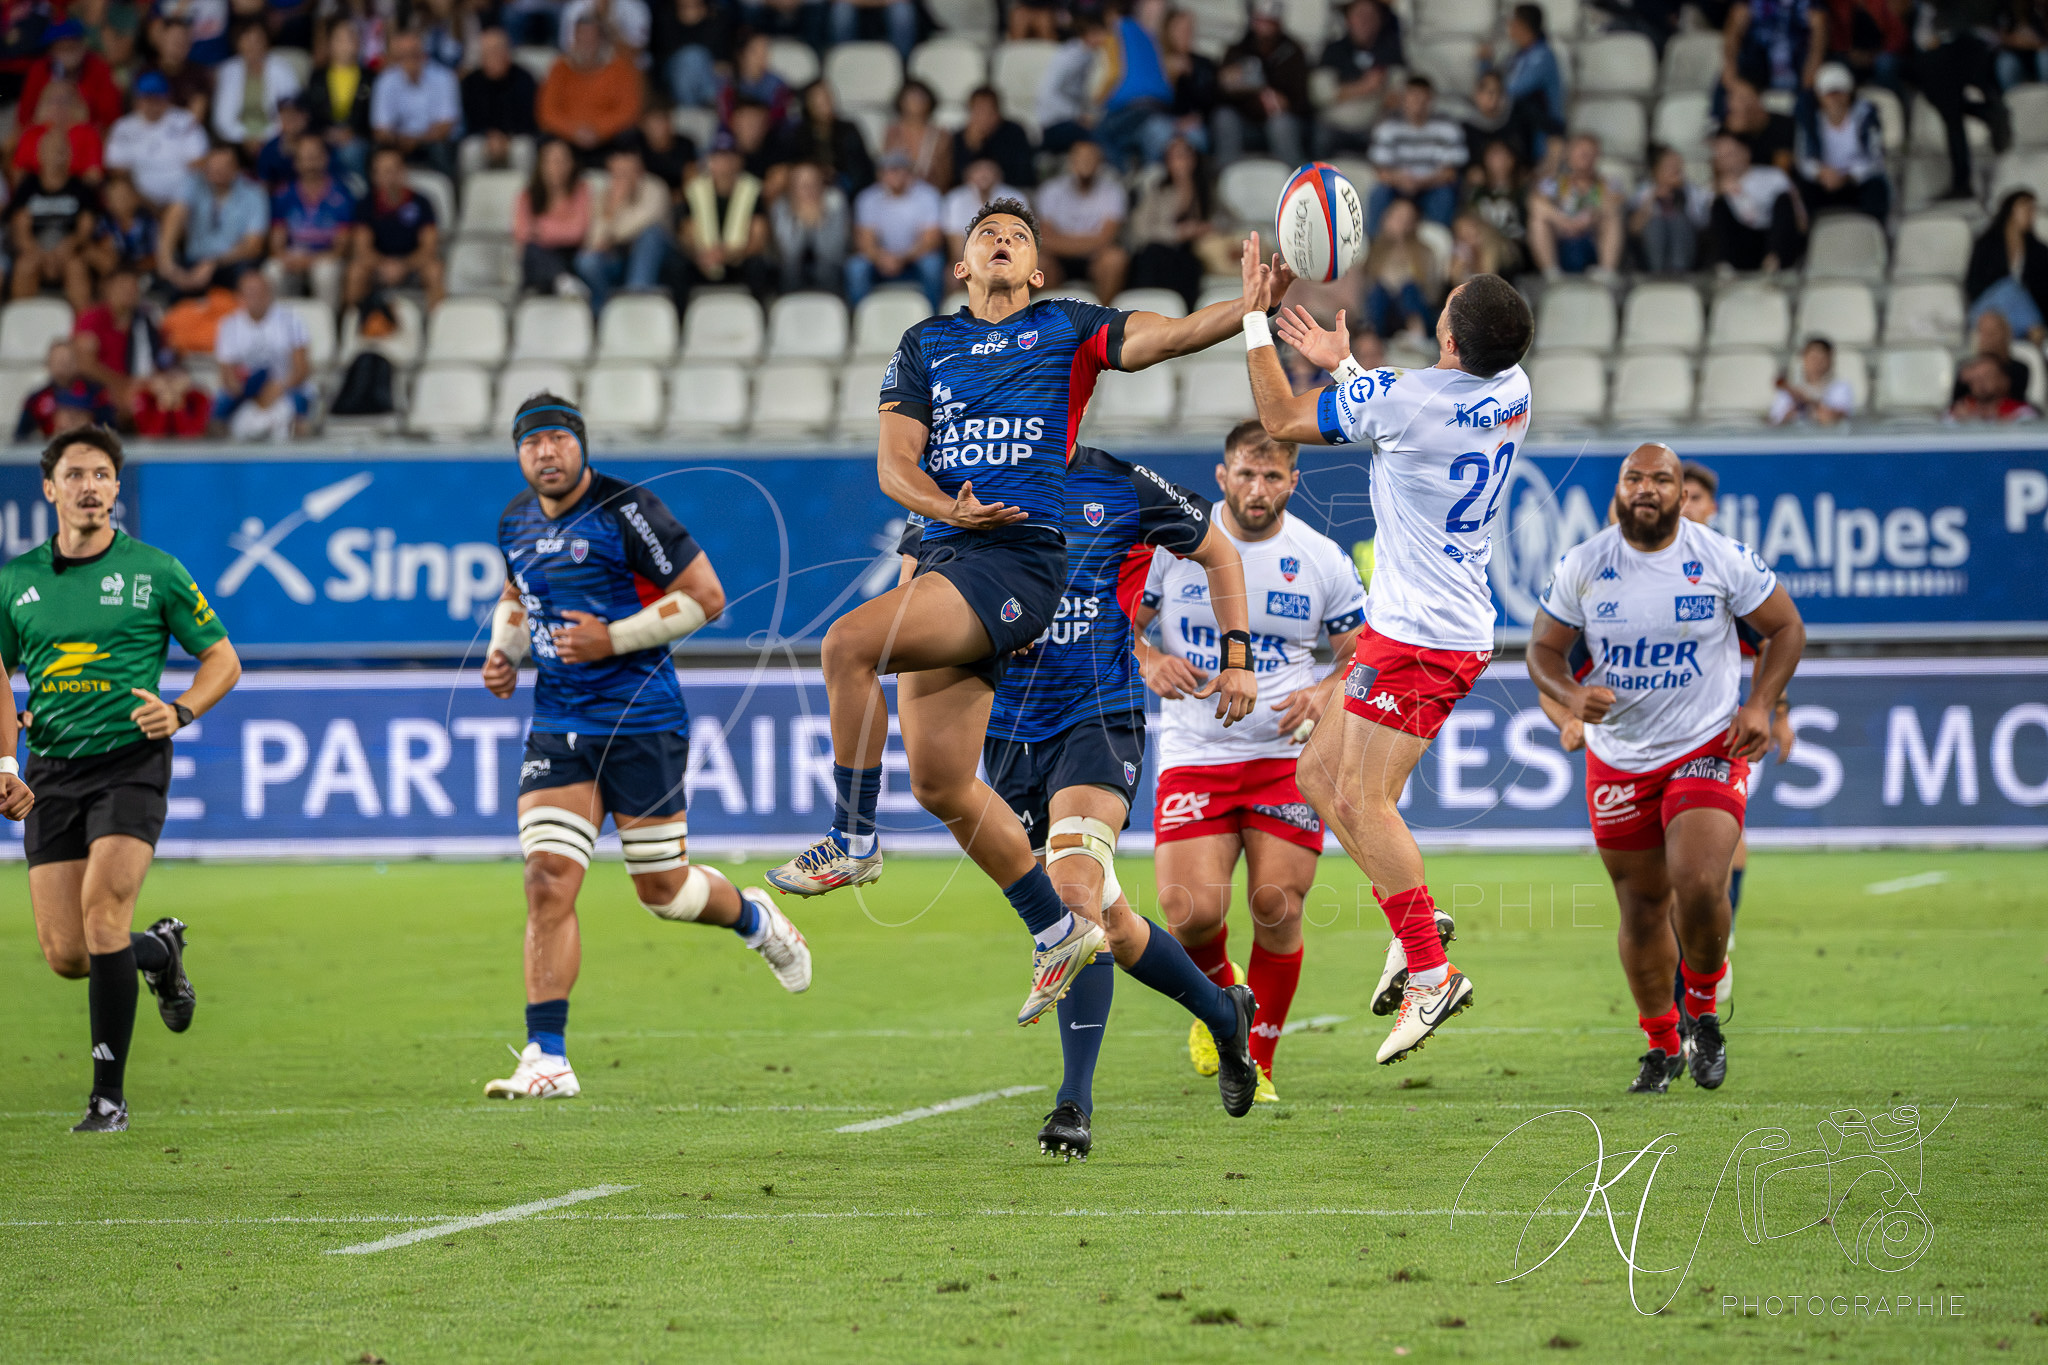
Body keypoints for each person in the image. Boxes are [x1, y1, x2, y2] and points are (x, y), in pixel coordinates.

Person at [764, 208, 1282, 1119]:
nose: (1001, 240)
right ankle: (1182, 992)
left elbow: (1159, 339)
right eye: (986, 233)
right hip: (951, 566)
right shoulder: (924, 344)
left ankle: (1068, 1096)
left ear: (1039, 271)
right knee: (940, 783)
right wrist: (939, 519)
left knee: (848, 644)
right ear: (961, 263)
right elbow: (895, 467)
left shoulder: (1069, 332)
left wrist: (1243, 310)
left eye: (1019, 234)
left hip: (1032, 593)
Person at [898, 440, 1252, 1156]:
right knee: (1113, 926)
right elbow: (912, 607)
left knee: (1072, 901)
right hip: (1003, 733)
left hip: (1098, 714)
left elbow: (1220, 552)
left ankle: (1074, 1105)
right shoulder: (955, 488)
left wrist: (1237, 657)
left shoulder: (1122, 484)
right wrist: (985, 636)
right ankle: (1222, 1010)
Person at [480, 394, 809, 1100]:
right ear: (518, 454)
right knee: (546, 880)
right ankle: (548, 1055)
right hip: (558, 723)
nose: (545, 452)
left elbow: (706, 595)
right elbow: (518, 591)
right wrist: (503, 650)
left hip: (641, 720)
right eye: (531, 443)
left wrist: (611, 636)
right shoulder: (513, 519)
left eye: (557, 439)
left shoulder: (627, 510)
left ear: (581, 446)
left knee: (663, 890)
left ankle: (755, 917)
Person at [1253, 275, 1534, 1065]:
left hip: (1425, 636)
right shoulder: (1513, 385)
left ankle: (1433, 972)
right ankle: (1414, 934)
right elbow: (1403, 407)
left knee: (1362, 798)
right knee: (1315, 773)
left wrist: (1253, 321)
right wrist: (1347, 370)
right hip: (1414, 624)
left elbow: (1279, 419)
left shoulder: (1406, 399)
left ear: (1448, 339)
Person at [1527, 443, 1803, 1094]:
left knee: (1699, 878)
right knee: (1643, 908)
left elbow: (1785, 628)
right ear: (1618, 492)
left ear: (1682, 494)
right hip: (1619, 757)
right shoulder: (1584, 564)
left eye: (1662, 479)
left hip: (1706, 743)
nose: (1646, 487)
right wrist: (1570, 696)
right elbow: (1542, 650)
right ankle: (1661, 1042)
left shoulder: (1721, 558)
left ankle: (1703, 1010)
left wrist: (1761, 704)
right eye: (1634, 478)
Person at [0, 424, 241, 1131]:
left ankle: (108, 1096)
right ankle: (159, 953)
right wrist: (7, 764)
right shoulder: (16, 581)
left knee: (104, 913)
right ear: (50, 489)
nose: (90, 487)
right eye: (75, 474)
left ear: (115, 488)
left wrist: (182, 709)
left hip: (131, 762)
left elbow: (223, 658)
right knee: (68, 953)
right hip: (50, 770)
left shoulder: (155, 571)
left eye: (102, 474)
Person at [1137, 420, 1366, 1103]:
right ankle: (1217, 998)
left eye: (1272, 476)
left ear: (1294, 481)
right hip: (1194, 749)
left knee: (1277, 904)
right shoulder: (1172, 546)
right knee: (1188, 911)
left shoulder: (1320, 557)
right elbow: (1117, 623)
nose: (1258, 488)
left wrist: (1326, 690)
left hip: (1283, 757)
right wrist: (1151, 659)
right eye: (1246, 473)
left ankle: (1254, 1058)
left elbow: (1359, 653)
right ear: (1222, 475)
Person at [1906, 0, 2009, 202]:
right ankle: (1987, 112)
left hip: (1960, 51)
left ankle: (1962, 182)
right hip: (1936, 58)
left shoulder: (1959, 10)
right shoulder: (1924, 10)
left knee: (1952, 115)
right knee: (1949, 111)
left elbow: (1979, 29)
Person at [212, 268, 315, 440]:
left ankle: (298, 451)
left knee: (300, 404)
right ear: (240, 297)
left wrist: (279, 388)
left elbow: (302, 369)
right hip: (247, 390)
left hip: (285, 386)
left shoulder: (291, 320)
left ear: (269, 294)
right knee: (217, 410)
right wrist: (250, 395)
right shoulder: (229, 325)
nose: (256, 297)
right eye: (250, 292)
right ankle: (220, 458)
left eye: (260, 292)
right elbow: (227, 374)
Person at [157, 143, 269, 297]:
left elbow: (253, 245)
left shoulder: (254, 193)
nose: (217, 171)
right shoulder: (194, 182)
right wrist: (166, 262)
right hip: (194, 261)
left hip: (232, 262)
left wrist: (214, 263)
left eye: (224, 166)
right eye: (213, 165)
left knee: (248, 275)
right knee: (169, 283)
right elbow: (174, 216)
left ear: (237, 169)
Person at [677, 130, 772, 302]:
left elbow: (759, 238)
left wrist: (728, 255)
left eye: (729, 157)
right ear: (709, 161)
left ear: (739, 161)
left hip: (739, 260)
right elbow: (686, 233)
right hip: (704, 260)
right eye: (718, 157)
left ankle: (758, 317)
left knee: (757, 267)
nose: (724, 164)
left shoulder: (752, 189)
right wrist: (700, 255)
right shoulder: (695, 190)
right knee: (678, 268)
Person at [346, 144, 444, 308]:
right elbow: (362, 248)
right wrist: (384, 265)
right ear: (374, 176)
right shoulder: (365, 204)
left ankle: (438, 325)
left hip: (414, 265)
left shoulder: (422, 202)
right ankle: (355, 323)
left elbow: (429, 247)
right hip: (378, 266)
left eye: (393, 170)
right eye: (382, 172)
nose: (388, 177)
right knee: (355, 272)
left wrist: (403, 266)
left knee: (434, 271)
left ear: (403, 171)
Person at [10, 133, 100, 309]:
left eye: (61, 151)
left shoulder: (81, 188)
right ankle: (21, 324)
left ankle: (82, 324)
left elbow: (85, 229)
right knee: (25, 265)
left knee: (76, 266)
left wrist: (67, 247)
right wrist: (40, 254)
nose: (56, 155)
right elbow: (21, 230)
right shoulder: (28, 187)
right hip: (35, 250)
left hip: (69, 251)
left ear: (70, 155)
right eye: (51, 150)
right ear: (39, 154)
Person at [575, 146, 670, 312]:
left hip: (657, 256)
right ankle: (607, 309)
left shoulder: (655, 187)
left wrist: (613, 231)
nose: (622, 179)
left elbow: (643, 222)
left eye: (627, 172)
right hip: (618, 257)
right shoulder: (604, 195)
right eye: (616, 173)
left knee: (651, 235)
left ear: (639, 171)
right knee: (586, 261)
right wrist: (611, 210)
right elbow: (594, 243)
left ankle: (635, 299)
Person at [1125, 135, 1214, 310]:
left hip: (1191, 255)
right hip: (1159, 252)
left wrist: (1203, 229)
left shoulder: (1205, 190)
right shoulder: (1157, 191)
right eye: (1174, 156)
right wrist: (1177, 233)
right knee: (1155, 256)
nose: (1180, 162)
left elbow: (1224, 219)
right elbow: (1141, 230)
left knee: (1189, 264)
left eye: (1184, 155)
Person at [1366, 76, 1466, 232]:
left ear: (1431, 100)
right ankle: (1374, 243)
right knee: (1379, 193)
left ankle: (1438, 244)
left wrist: (1421, 183)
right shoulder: (1388, 126)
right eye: (1413, 97)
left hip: (1432, 186)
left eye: (1422, 98)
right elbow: (1381, 172)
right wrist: (1401, 181)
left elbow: (1450, 173)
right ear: (1403, 99)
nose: (1417, 104)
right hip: (1397, 186)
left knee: (1445, 195)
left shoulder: (1448, 126)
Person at [1216, 0, 1310, 166]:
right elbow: (1220, 94)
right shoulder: (1237, 50)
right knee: (1225, 117)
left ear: (1279, 22)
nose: (1264, 26)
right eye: (1260, 20)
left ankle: (1295, 181)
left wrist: (1285, 103)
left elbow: (1303, 101)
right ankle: (1225, 177)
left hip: (1283, 124)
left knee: (1280, 125)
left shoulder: (1293, 52)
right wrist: (1231, 83)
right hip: (1246, 124)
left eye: (1270, 21)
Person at [847, 149, 945, 307]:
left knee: (932, 265)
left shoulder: (928, 195)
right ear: (879, 174)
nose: (894, 175)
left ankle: (934, 319)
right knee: (856, 268)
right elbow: (865, 241)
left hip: (914, 259)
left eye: (899, 170)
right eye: (888, 170)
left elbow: (931, 240)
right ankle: (859, 319)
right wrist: (881, 258)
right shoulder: (868, 198)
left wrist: (902, 258)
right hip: (880, 261)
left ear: (910, 173)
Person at [1034, 138, 1128, 301]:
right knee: (1037, 262)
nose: (1085, 163)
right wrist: (1088, 241)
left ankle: (1102, 319)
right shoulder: (1050, 190)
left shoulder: (1113, 192)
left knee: (1115, 259)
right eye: (1080, 158)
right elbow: (1045, 239)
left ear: (1100, 163)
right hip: (1058, 259)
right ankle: (1052, 319)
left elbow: (1107, 238)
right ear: (1071, 161)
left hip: (1095, 259)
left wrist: (1064, 242)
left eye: (1090, 158)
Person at [540, 15, 645, 161]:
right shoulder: (560, 68)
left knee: (630, 137)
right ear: (574, 39)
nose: (586, 42)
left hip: (608, 139)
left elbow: (629, 110)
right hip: (569, 138)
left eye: (591, 37)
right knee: (546, 140)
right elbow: (548, 111)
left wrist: (599, 131)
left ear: (601, 39)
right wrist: (574, 131)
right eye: (582, 36)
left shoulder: (620, 68)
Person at [269, 134, 355, 307]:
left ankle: (329, 324)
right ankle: (280, 326)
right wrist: (284, 257)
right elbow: (276, 241)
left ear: (325, 159)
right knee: (271, 271)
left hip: (326, 256)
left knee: (325, 273)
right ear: (296, 163)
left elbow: (342, 246)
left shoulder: (342, 194)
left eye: (315, 157)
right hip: (294, 254)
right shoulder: (284, 194)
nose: (311, 163)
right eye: (306, 158)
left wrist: (310, 260)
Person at [1793, 62, 1887, 218]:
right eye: (1830, 93)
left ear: (1849, 93)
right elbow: (1802, 158)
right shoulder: (1810, 119)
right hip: (1824, 182)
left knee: (1877, 187)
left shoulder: (1865, 116)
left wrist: (1848, 176)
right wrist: (1821, 173)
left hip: (1856, 181)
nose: (1835, 99)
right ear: (1819, 96)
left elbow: (1876, 158)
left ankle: (1874, 232)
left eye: (1840, 93)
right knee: (1803, 189)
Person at [1526, 132, 1624, 280]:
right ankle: (1550, 271)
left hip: (1591, 241)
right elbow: (1534, 203)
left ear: (1597, 156)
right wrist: (1564, 222)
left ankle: (1606, 272)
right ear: (1569, 155)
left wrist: (1589, 219)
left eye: (1590, 153)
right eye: (1581, 152)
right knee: (1537, 218)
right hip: (1562, 241)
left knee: (1612, 215)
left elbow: (1615, 202)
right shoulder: (1555, 183)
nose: (1585, 156)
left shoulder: (1607, 183)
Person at [103, 70, 208, 207]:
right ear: (137, 100)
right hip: (140, 197)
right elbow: (117, 169)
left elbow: (198, 162)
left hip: (182, 198)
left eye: (157, 99)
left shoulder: (185, 120)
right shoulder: (123, 127)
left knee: (190, 188)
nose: (152, 105)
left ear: (167, 98)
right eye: (147, 99)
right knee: (118, 189)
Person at [1706, 131, 1806, 272]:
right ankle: (1724, 267)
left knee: (1784, 199)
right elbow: (1703, 222)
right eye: (1721, 156)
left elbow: (1800, 220)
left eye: (1730, 154)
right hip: (1743, 247)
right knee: (1719, 205)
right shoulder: (1713, 189)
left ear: (1746, 152)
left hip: (1775, 240)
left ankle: (1773, 261)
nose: (1727, 161)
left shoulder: (1774, 176)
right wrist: (1718, 192)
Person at [371, 28, 462, 181]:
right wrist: (400, 139)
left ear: (423, 53)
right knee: (378, 152)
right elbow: (381, 129)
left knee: (440, 149)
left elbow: (446, 126)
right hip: (398, 143)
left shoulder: (444, 77)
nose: (410, 59)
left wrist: (416, 140)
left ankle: (450, 194)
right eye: (404, 55)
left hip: (432, 142)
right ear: (397, 57)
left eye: (414, 54)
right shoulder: (386, 81)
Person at [1316, 0, 1405, 157]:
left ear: (1380, 20)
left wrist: (1385, 100)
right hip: (1335, 127)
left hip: (1373, 127)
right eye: (1359, 15)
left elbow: (1399, 91)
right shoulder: (1333, 50)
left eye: (1371, 16)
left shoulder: (1390, 51)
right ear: (1348, 20)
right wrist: (1364, 87)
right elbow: (1321, 94)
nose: (1365, 21)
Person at [513, 137, 592, 296]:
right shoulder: (527, 197)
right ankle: (562, 281)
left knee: (539, 254)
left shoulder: (581, 190)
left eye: (563, 161)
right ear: (542, 165)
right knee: (533, 251)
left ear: (572, 164)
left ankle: (561, 282)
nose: (558, 167)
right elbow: (523, 236)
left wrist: (541, 229)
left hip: (571, 257)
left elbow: (578, 232)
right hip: (538, 259)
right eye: (553, 161)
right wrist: (560, 228)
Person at [1965, 190, 2048, 342]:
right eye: (2026, 208)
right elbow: (1973, 285)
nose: (2031, 213)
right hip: (1988, 310)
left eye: (2033, 209)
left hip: (2017, 319)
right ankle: (2037, 335)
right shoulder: (1986, 244)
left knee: (2015, 292)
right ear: (2010, 210)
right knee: (2009, 288)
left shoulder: (2039, 251)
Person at [212, 21, 300, 156]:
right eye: (247, 40)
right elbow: (222, 119)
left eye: (257, 40)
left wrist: (264, 138)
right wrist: (245, 137)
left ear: (266, 42)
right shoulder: (227, 70)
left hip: (276, 138)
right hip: (236, 141)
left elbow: (291, 113)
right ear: (238, 44)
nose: (252, 46)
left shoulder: (283, 69)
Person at [21, 17, 122, 130]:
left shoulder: (99, 67)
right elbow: (25, 116)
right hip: (45, 133)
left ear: (82, 45)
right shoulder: (39, 70)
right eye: (61, 48)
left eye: (71, 46)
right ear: (51, 51)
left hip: (88, 133)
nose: (67, 51)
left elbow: (110, 117)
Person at [308, 19, 376, 185]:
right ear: (330, 44)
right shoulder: (317, 77)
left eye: (350, 39)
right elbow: (311, 112)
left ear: (358, 44)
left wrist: (353, 133)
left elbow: (373, 116)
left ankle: (360, 193)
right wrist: (325, 132)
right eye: (339, 39)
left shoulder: (370, 77)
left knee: (350, 152)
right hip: (324, 136)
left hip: (358, 138)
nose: (345, 45)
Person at [1359, 197, 1438, 339]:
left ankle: (1416, 336)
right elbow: (1367, 285)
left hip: (1415, 311)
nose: (1400, 222)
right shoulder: (1374, 250)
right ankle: (1375, 338)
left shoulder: (1424, 252)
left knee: (1409, 289)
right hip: (1385, 311)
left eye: (1406, 218)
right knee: (1378, 293)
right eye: (1397, 217)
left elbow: (1431, 293)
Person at [1497, 3, 1565, 162]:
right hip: (1523, 130)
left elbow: (1513, 89)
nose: (1509, 27)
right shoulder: (1517, 55)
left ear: (1522, 25)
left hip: (1542, 134)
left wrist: (1493, 86)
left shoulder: (1542, 57)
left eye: (1511, 22)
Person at [1630, 143, 1711, 275]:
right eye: (1669, 166)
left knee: (1678, 220)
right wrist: (1652, 199)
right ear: (1657, 170)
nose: (1675, 171)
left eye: (1677, 167)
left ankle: (1678, 273)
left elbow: (1702, 224)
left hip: (1687, 245)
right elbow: (1634, 228)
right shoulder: (1644, 192)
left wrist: (1684, 196)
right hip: (1651, 251)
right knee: (1656, 224)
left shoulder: (1692, 191)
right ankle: (1657, 274)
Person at [786, 80, 875, 198]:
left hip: (848, 188)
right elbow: (796, 166)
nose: (825, 101)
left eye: (827, 95)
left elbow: (862, 166)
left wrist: (838, 174)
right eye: (818, 98)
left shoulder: (848, 129)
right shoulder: (799, 134)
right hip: (811, 190)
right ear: (808, 103)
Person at [773, 159, 848, 293]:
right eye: (803, 185)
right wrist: (799, 223)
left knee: (826, 270)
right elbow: (789, 253)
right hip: (792, 272)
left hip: (829, 269)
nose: (809, 190)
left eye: (813, 184)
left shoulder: (835, 201)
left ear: (822, 184)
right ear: (792, 188)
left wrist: (822, 221)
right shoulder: (781, 206)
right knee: (790, 270)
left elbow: (833, 253)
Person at [15, 340, 115, 440]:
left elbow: (111, 431)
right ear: (48, 363)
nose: (63, 365)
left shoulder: (96, 394)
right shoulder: (36, 399)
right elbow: (20, 438)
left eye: (68, 360)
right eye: (58, 361)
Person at [942, 155, 1027, 267]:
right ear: (967, 174)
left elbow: (1021, 239)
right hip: (970, 260)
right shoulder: (955, 199)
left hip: (1008, 257)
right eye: (978, 170)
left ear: (999, 174)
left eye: (988, 169)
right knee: (953, 273)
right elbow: (957, 246)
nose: (983, 175)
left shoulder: (1015, 198)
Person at [952, 85, 1035, 191]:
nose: (984, 116)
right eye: (979, 110)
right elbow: (956, 177)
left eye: (989, 110)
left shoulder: (1014, 132)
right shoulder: (960, 137)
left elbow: (1024, 173)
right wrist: (973, 146)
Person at [653, 0, 733, 108]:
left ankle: (715, 110)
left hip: (709, 76)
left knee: (722, 71)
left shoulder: (717, 17)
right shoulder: (665, 14)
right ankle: (691, 110)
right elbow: (664, 53)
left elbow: (722, 58)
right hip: (673, 76)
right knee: (692, 57)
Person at [1950, 308, 2033, 407]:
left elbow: (2017, 400)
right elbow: (1956, 403)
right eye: (1983, 332)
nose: (1988, 338)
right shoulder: (1964, 368)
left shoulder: (2019, 369)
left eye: (1993, 332)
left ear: (2005, 334)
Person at [883, 78, 952, 190]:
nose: (916, 102)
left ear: (929, 101)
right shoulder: (892, 132)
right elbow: (886, 171)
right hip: (897, 192)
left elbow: (945, 177)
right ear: (901, 101)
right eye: (911, 97)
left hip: (931, 193)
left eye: (920, 97)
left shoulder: (941, 134)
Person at [1769, 334, 1855, 423]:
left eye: (1822, 359)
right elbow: (1776, 422)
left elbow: (1832, 417)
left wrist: (1804, 399)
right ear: (1803, 358)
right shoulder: (1787, 392)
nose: (1817, 363)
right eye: (1813, 358)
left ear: (1830, 360)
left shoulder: (1840, 388)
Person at [1719, 75, 1795, 171]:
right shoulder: (1728, 132)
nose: (1731, 104)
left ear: (1756, 99)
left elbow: (1782, 169)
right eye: (1729, 97)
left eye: (1739, 98)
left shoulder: (1784, 125)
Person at [1949, 353, 2041, 421]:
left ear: (2004, 381)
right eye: (1977, 378)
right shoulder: (1959, 411)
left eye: (1988, 376)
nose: (1981, 383)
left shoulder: (2021, 412)